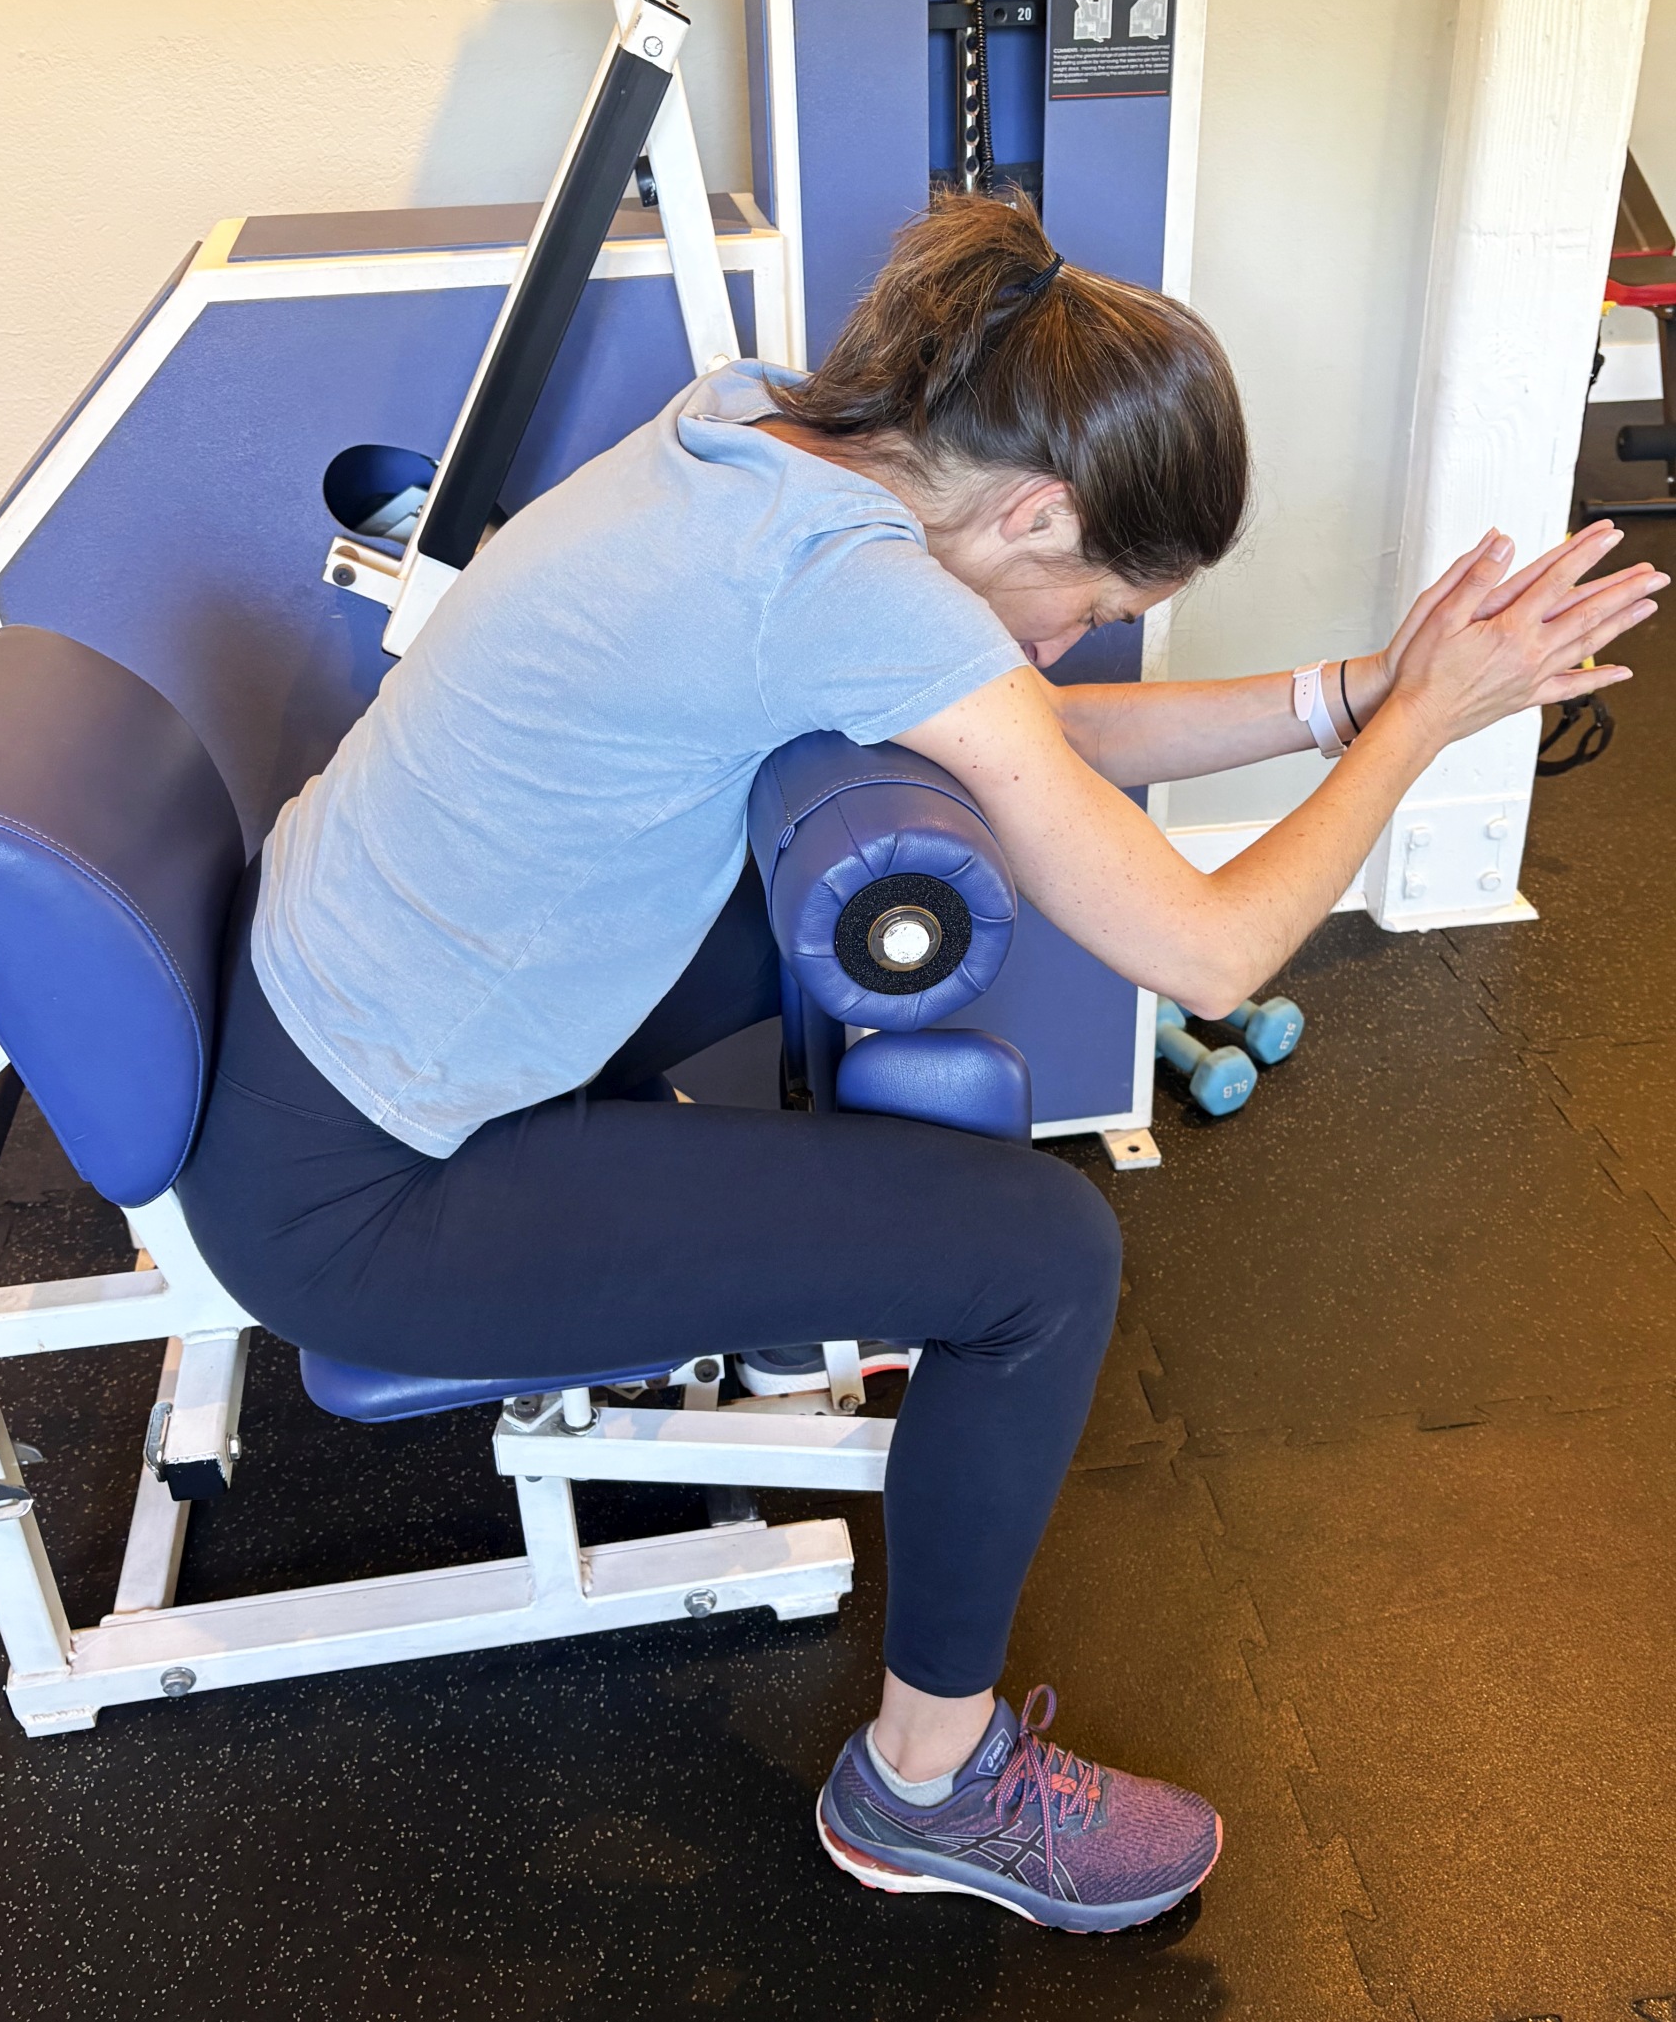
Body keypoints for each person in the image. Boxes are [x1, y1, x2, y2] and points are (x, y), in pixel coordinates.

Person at [180, 193, 1660, 1935]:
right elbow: (1213, 951)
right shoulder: (827, 574)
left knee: (841, 931)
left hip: (334, 1022)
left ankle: (810, 1270)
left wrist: (1340, 697)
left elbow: (1005, 727)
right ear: (1034, 506)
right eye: (1081, 600)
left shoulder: (754, 438)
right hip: (358, 1194)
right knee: (1040, 1256)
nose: (1055, 646)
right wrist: (1421, 726)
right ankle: (926, 1783)